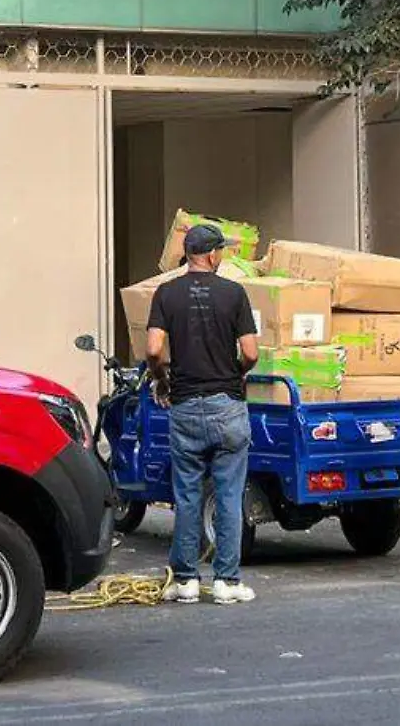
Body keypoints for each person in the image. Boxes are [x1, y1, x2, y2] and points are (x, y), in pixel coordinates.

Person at [145, 223, 259, 605]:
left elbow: (153, 348)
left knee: (188, 494)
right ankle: (227, 581)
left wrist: (163, 380)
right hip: (227, 405)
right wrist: (237, 373)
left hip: (186, 405)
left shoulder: (166, 293)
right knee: (228, 493)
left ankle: (186, 580)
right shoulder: (234, 294)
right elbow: (252, 353)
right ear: (212, 255)